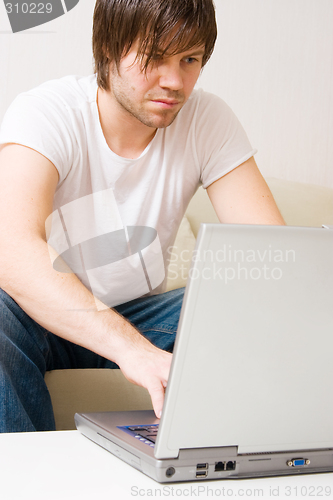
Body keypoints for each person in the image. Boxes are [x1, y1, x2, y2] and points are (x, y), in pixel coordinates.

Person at [0, 0, 285, 432]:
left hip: (142, 314)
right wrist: (130, 349)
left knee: (250, 301)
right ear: (108, 48)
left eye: (189, 59)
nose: (174, 82)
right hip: (37, 317)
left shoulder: (207, 119)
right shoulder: (47, 113)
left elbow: (277, 255)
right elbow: (10, 248)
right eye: (154, 58)